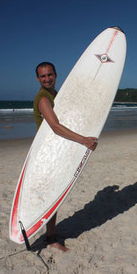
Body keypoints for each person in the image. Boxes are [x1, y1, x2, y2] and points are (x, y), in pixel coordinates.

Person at [33, 62, 98, 251]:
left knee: (56, 196)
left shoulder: (55, 95)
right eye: (43, 76)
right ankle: (51, 238)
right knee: (53, 196)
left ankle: (51, 234)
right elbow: (55, 127)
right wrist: (83, 140)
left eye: (49, 75)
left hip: (58, 150)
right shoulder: (43, 99)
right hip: (48, 155)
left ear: (55, 74)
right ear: (38, 79)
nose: (47, 79)